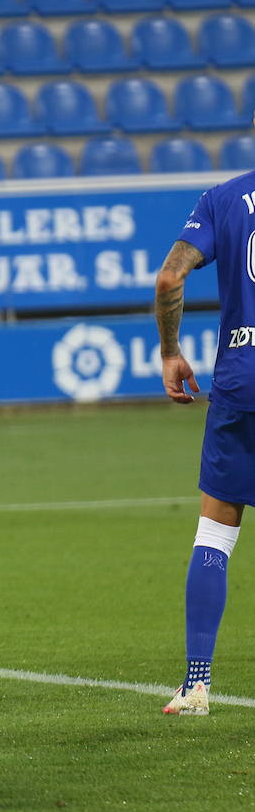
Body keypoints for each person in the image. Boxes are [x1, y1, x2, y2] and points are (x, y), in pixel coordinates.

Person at [153, 166, 255, 715]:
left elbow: (170, 277)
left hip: (242, 382)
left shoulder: (223, 199)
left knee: (215, 537)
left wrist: (171, 351)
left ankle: (196, 685)